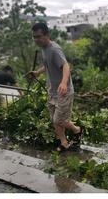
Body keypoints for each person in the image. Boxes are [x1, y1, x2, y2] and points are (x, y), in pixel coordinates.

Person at [28, 23, 82, 152]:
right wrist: (38, 72)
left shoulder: (54, 49)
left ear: (46, 35)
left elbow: (66, 66)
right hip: (52, 91)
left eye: (39, 36)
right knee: (54, 120)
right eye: (34, 37)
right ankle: (64, 143)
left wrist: (63, 83)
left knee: (59, 120)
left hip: (64, 91)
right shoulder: (44, 49)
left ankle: (77, 130)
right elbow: (47, 65)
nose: (36, 39)